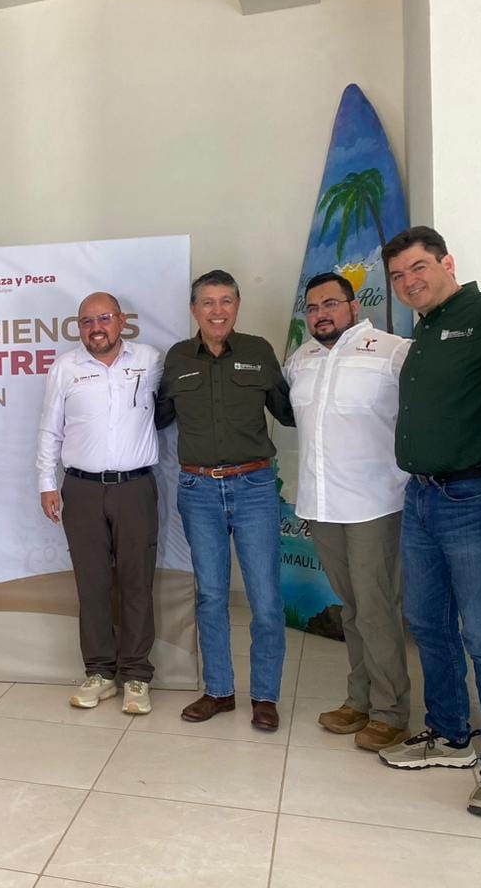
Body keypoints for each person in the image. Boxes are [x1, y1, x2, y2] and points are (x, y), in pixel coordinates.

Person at [376, 226, 481, 819]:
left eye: (419, 268)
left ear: (448, 263)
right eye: (398, 276)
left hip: (473, 497)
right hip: (420, 497)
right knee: (427, 623)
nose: (409, 282)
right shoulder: (425, 328)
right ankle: (448, 734)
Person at [157, 269, 294, 732]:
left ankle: (265, 696)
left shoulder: (258, 352)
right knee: (211, 595)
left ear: (237, 306)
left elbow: (290, 411)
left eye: (226, 301)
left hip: (255, 487)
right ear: (194, 310)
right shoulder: (177, 359)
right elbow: (156, 418)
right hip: (198, 491)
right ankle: (218, 690)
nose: (217, 311)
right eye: (208, 302)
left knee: (266, 599)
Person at [283, 273, 412, 751]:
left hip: (374, 503)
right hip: (322, 505)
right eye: (313, 307)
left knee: (377, 609)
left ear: (354, 306)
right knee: (353, 609)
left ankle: (390, 711)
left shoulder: (393, 352)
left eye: (331, 303)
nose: (321, 313)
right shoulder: (300, 360)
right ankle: (360, 700)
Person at [37, 292, 162, 715]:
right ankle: (100, 673)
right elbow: (50, 430)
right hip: (82, 489)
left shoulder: (150, 360)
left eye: (104, 318)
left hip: (135, 488)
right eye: (87, 322)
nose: (96, 328)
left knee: (136, 582)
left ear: (121, 320)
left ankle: (137, 675)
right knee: (91, 584)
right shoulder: (65, 368)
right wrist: (46, 484)